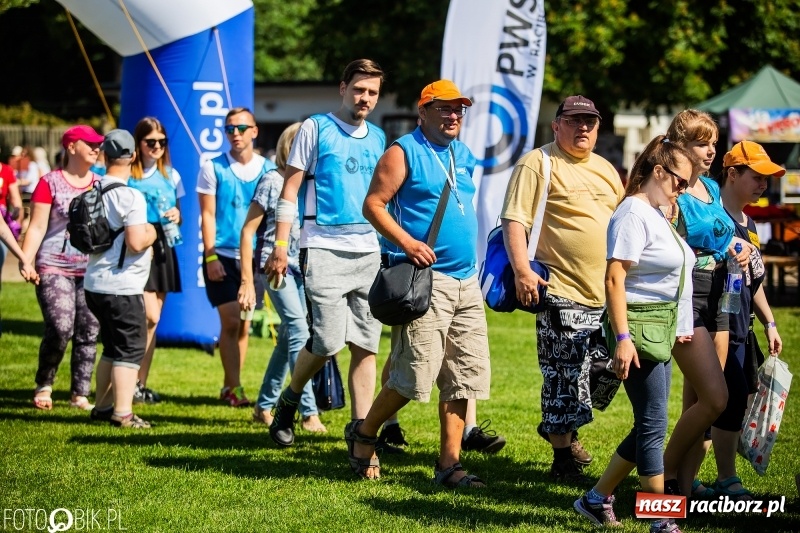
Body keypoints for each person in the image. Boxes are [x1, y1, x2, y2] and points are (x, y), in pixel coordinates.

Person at [345, 79, 491, 486]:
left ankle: (449, 464)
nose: (454, 115)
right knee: (413, 378)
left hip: (467, 280)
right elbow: (372, 204)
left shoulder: (462, 154)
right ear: (422, 111)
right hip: (428, 280)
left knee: (465, 375)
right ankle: (364, 433)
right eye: (444, 108)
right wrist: (407, 242)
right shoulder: (403, 150)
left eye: (459, 109)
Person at [573, 135, 695, 533]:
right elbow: (614, 278)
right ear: (658, 172)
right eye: (679, 181)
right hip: (638, 329)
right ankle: (661, 519)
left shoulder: (657, 212)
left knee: (650, 423)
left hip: (657, 327)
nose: (682, 189)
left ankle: (595, 498)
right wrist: (623, 339)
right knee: (654, 423)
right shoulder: (632, 213)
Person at [501, 95, 624, 482]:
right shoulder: (539, 163)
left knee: (606, 372)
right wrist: (522, 270)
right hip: (559, 290)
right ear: (556, 126)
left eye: (589, 121)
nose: (582, 127)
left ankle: (561, 429)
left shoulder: (606, 169)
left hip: (604, 295)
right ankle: (563, 459)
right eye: (573, 120)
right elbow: (515, 219)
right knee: (562, 376)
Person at [265, 59, 386, 447]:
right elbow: (289, 192)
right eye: (359, 90)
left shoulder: (381, 138)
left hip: (369, 250)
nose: (364, 98)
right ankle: (290, 398)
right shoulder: (315, 128)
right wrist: (281, 246)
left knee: (366, 344)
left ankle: (361, 433)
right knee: (328, 341)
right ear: (342, 88)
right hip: (322, 248)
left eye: (372, 92)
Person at [661, 109, 747, 498]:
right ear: (680, 145)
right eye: (701, 142)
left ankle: (684, 486)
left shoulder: (712, 189)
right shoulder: (669, 189)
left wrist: (734, 248)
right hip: (688, 295)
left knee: (698, 401)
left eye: (713, 142)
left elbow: (721, 234)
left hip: (723, 294)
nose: (711, 150)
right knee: (716, 398)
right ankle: (660, 478)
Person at [701, 140, 783, 500]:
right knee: (717, 401)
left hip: (739, 327)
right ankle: (686, 477)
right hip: (712, 324)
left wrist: (769, 323)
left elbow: (754, 282)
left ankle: (702, 478)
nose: (764, 184)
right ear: (732, 174)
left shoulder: (749, 222)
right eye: (757, 176)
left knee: (731, 400)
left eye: (768, 178)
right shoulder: (710, 214)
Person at [238, 122, 326, 433]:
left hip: (307, 268)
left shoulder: (314, 183)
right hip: (275, 267)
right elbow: (248, 231)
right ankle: (307, 412)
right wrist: (247, 281)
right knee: (301, 331)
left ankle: (264, 405)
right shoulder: (272, 181)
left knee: (290, 335)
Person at [21, 125, 104, 410]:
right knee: (60, 326)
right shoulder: (49, 182)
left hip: (91, 269)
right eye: (90, 143)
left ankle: (80, 394)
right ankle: (45, 383)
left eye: (98, 144)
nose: (96, 148)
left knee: (89, 331)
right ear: (71, 147)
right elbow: (37, 226)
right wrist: (26, 259)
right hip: (53, 266)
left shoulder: (100, 183)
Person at [198, 107, 276, 407]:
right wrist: (210, 257)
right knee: (230, 320)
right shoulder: (212, 167)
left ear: (254, 131)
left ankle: (232, 384)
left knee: (243, 324)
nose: (235, 134)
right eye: (229, 128)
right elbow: (206, 215)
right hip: (222, 255)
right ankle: (234, 387)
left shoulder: (268, 169)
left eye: (241, 128)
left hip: (255, 258)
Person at [84, 129, 158, 429]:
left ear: (104, 155)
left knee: (112, 348)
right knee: (129, 349)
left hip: (94, 283)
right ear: (133, 156)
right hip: (122, 285)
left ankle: (102, 407)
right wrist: (153, 231)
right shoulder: (130, 196)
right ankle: (123, 413)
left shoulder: (91, 191)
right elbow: (136, 242)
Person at [127, 117, 185, 404]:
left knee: (153, 321)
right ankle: (127, 381)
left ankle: (139, 384)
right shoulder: (128, 175)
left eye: (162, 142)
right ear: (138, 144)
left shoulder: (172, 175)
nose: (157, 147)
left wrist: (177, 215)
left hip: (164, 247)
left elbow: (179, 214)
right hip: (138, 247)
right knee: (148, 316)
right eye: (151, 142)